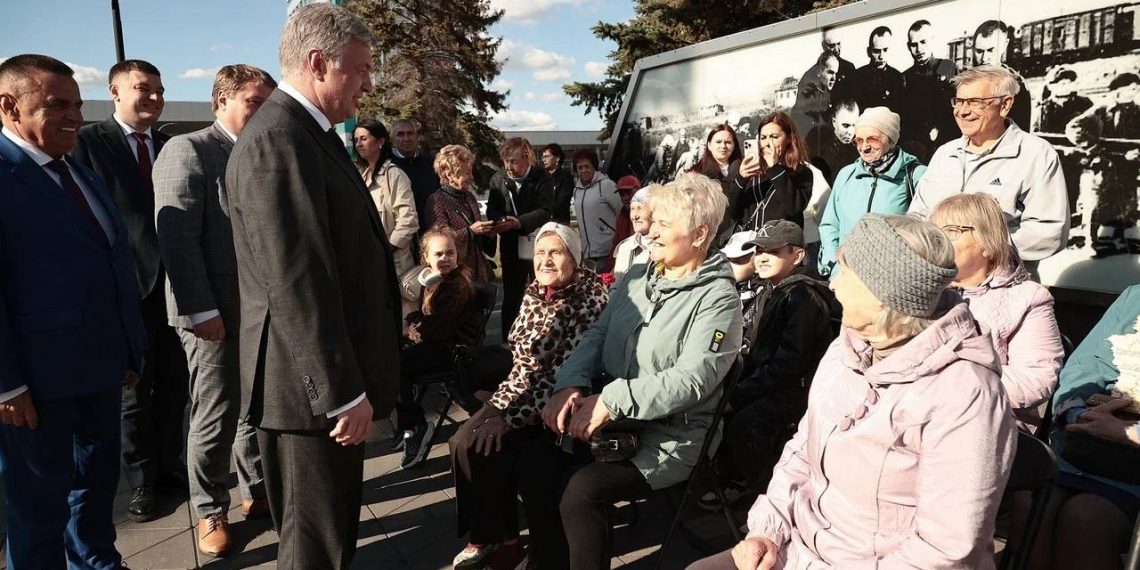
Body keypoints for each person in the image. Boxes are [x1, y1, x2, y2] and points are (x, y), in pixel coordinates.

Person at [688, 213, 1016, 570]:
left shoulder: (966, 395)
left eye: (845, 272)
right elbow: (801, 450)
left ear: (883, 296)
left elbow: (946, 548)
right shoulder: (846, 350)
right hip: (801, 549)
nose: (832, 285)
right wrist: (768, 530)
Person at [224, 5, 401, 568]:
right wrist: (340, 391)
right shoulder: (279, 139)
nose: (369, 82)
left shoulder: (309, 133)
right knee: (312, 547)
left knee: (330, 538)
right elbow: (296, 280)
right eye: (360, 68)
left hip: (321, 389)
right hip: (308, 395)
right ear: (319, 63)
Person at [525, 173, 743, 570]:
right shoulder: (642, 275)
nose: (651, 233)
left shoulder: (718, 298)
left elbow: (693, 379)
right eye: (653, 221)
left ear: (699, 235)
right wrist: (569, 382)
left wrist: (611, 399)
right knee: (536, 464)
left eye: (663, 224)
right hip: (615, 421)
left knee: (581, 492)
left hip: (670, 436)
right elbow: (599, 333)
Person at [0, 53, 147, 569]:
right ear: (9, 106)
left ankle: (96, 563)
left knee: (95, 485)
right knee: (37, 505)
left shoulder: (81, 173)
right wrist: (7, 384)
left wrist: (129, 348)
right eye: (56, 105)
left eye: (78, 106)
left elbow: (111, 266)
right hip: (36, 385)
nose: (74, 117)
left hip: (100, 368)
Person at [152, 64, 274, 557]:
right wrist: (201, 311)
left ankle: (257, 491)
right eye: (253, 103)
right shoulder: (189, 150)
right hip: (212, 316)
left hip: (260, 310)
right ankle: (209, 509)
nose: (263, 113)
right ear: (220, 101)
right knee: (216, 411)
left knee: (255, 406)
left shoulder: (262, 152)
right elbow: (177, 241)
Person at [448, 223, 608, 570]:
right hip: (522, 393)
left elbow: (560, 378)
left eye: (556, 252)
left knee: (495, 447)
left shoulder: (588, 300)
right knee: (463, 441)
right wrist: (497, 404)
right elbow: (522, 364)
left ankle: (506, 543)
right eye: (539, 253)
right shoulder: (535, 291)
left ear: (575, 259)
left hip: (561, 406)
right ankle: (500, 538)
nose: (545, 260)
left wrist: (508, 417)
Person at [71, 58, 188, 522]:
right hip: (126, 291)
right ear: (115, 91)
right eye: (143, 89)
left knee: (174, 386)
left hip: (177, 290)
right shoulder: (87, 145)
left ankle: (170, 469)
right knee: (133, 392)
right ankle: (141, 482)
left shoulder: (171, 144)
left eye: (159, 90)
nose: (154, 98)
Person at [700, 221, 839, 510]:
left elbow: (790, 364)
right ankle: (734, 481)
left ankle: (769, 501)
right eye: (759, 250)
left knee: (744, 424)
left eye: (772, 252)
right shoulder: (773, 289)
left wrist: (739, 395)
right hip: (769, 382)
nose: (761, 257)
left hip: (795, 392)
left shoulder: (803, 296)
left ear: (797, 255)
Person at [1016, 285, 1140, 570]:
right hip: (1090, 445)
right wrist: (1078, 414)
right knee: (1031, 504)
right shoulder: (1135, 297)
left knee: (1087, 519)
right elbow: (1083, 369)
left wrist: (1128, 433)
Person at [909, 65, 1070, 267]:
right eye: (958, 102)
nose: (963, 111)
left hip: (1002, 286)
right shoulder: (944, 153)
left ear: (1005, 105)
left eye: (975, 102)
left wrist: (979, 247)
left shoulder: (1036, 155)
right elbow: (918, 214)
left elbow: (1050, 232)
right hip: (940, 284)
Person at [930, 193, 1063, 433]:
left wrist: (948, 381)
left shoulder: (1027, 298)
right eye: (934, 232)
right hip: (922, 417)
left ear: (987, 243)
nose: (937, 241)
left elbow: (1035, 381)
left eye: (950, 231)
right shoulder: (924, 290)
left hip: (992, 424)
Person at [396, 229, 486, 470]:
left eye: (450, 253)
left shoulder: (457, 285)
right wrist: (415, 322)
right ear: (426, 257)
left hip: (454, 353)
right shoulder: (435, 280)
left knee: (394, 367)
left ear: (458, 255)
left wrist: (411, 331)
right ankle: (406, 419)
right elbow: (427, 319)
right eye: (439, 254)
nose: (445, 258)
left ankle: (415, 425)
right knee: (390, 360)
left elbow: (438, 329)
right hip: (438, 345)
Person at [818, 107, 925, 277]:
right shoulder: (846, 174)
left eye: (872, 139)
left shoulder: (916, 175)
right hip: (847, 278)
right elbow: (829, 225)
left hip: (891, 280)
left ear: (891, 140)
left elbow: (926, 232)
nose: (864, 147)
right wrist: (835, 266)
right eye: (859, 140)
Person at [487, 137, 555, 342]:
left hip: (537, 243)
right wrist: (499, 220)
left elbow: (545, 210)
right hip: (510, 243)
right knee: (512, 295)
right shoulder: (498, 178)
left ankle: (545, 337)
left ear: (528, 158)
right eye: (505, 161)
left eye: (514, 161)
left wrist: (519, 222)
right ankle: (509, 341)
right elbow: (492, 207)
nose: (509, 167)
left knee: (544, 290)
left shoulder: (542, 177)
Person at [354, 119, 419, 317]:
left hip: (397, 265)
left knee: (403, 324)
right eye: (356, 140)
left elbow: (408, 219)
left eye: (364, 138)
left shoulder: (395, 175)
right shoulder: (363, 176)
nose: (359, 144)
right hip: (371, 264)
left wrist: (387, 248)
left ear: (380, 141)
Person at [730, 111, 814, 233]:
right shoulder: (750, 169)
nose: (768, 143)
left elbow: (794, 208)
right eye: (763, 138)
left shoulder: (802, 172)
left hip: (781, 246)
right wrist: (741, 179)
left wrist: (775, 168)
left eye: (774, 137)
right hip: (750, 244)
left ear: (789, 138)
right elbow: (733, 212)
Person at [425, 144, 494, 284]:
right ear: (449, 174)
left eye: (471, 172)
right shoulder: (436, 201)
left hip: (477, 273)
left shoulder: (469, 197)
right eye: (466, 173)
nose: (471, 177)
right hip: (454, 276)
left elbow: (479, 240)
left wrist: (490, 232)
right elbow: (439, 241)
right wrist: (470, 231)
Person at [901, 20, 959, 162]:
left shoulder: (947, 67)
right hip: (918, 148)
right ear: (909, 47)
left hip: (948, 143)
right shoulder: (905, 77)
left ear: (932, 41)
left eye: (923, 42)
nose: (919, 49)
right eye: (914, 45)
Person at [971, 20, 1031, 131]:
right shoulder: (966, 82)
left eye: (990, 50)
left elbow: (1020, 133)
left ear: (1004, 45)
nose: (984, 58)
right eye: (979, 51)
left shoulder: (1016, 84)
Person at [835, 27, 905, 116]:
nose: (881, 56)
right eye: (876, 51)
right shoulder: (856, 77)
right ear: (869, 52)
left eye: (885, 50)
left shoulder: (898, 78)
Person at [692, 123, 744, 244]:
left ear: (734, 145)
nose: (723, 146)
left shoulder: (744, 169)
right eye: (718, 142)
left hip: (739, 235)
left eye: (728, 142)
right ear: (709, 145)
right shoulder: (697, 174)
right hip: (712, 238)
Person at [571, 149, 622, 270]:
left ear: (594, 167)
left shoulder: (606, 185)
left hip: (607, 251)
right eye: (580, 167)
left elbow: (621, 212)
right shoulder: (576, 190)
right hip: (587, 254)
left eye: (587, 166)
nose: (584, 170)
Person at [389, 118, 440, 231]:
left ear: (417, 137)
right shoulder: (385, 166)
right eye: (400, 134)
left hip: (431, 229)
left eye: (410, 133)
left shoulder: (432, 164)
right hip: (399, 232)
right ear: (392, 140)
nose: (406, 138)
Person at [805, 98, 860, 186]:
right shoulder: (820, 147)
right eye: (846, 125)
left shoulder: (860, 151)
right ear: (834, 122)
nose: (850, 131)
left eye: (854, 125)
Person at [610, 186, 653, 285]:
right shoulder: (625, 247)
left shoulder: (665, 247)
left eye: (640, 208)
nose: (635, 216)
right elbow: (616, 286)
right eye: (632, 209)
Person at [1035, 67, 1092, 134]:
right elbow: (1039, 133)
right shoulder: (1046, 108)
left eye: (1069, 83)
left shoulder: (1083, 102)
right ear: (1052, 87)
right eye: (1062, 84)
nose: (1066, 87)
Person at [607, 174, 642, 260]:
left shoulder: (647, 214)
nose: (625, 197)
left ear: (638, 191)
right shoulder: (622, 215)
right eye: (622, 194)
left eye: (629, 193)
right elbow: (616, 243)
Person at [542, 143, 575, 224]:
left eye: (547, 156)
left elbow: (562, 201)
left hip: (560, 223)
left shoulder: (565, 177)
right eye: (543, 157)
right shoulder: (542, 177)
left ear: (557, 158)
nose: (543, 160)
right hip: (542, 223)